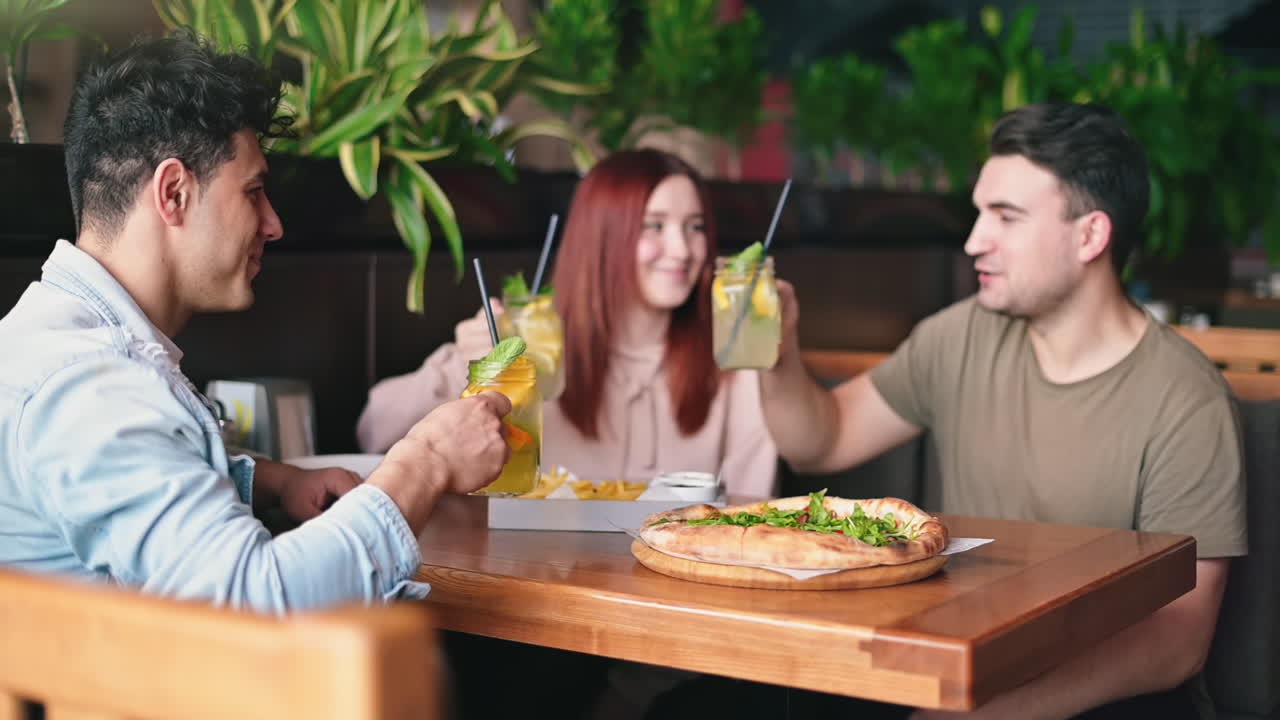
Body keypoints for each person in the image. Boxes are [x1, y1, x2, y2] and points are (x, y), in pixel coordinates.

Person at [738, 103, 1245, 719]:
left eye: (1005, 218)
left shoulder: (1185, 399)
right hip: (962, 662)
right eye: (980, 213)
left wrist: (988, 712)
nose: (975, 240)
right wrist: (775, 348)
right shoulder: (960, 337)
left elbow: (1177, 639)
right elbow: (822, 441)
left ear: (1090, 235)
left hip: (1105, 695)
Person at [0, 33, 513, 614]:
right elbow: (254, 601)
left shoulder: (49, 345)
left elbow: (120, 496)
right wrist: (428, 460)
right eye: (254, 190)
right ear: (173, 192)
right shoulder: (90, 386)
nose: (273, 225)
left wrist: (264, 480)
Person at [357, 149, 777, 497]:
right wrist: (466, 371)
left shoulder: (732, 359)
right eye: (655, 226)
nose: (682, 249)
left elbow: (751, 514)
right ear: (601, 237)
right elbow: (374, 431)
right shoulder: (531, 344)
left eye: (695, 227)